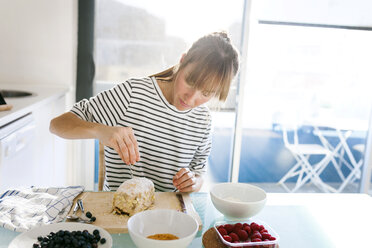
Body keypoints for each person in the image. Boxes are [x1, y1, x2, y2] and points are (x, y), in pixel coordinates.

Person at [50, 31, 239, 193]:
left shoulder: (203, 120)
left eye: (206, 93)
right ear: (182, 61)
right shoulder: (133, 94)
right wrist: (100, 131)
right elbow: (57, 125)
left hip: (169, 219)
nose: (191, 99)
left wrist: (192, 182)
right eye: (190, 81)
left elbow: (199, 173)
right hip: (118, 215)